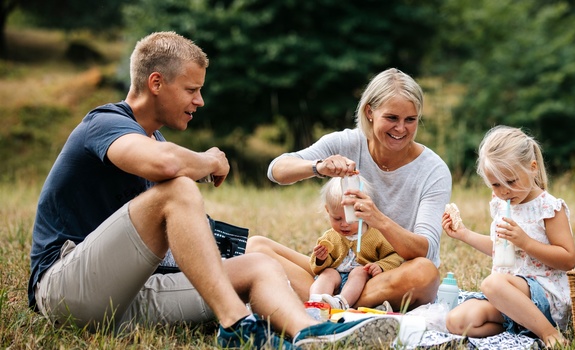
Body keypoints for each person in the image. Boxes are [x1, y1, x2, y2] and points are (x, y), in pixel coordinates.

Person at [27, 31, 399, 349]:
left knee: (259, 264)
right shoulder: (105, 123)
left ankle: (315, 334)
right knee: (178, 189)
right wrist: (211, 160)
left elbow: (181, 234)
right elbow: (166, 166)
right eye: (192, 89)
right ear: (156, 83)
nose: (199, 101)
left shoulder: (154, 139)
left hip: (129, 298)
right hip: (66, 291)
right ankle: (237, 326)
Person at [246, 68, 452, 311]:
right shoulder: (346, 142)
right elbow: (277, 170)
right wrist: (319, 167)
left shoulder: (433, 170)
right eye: (392, 118)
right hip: (338, 271)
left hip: (391, 275)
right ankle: (338, 304)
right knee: (256, 247)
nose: (401, 129)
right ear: (370, 112)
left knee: (424, 272)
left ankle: (327, 304)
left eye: (410, 120)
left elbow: (425, 250)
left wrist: (378, 219)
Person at [441, 125, 575, 347]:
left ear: (532, 168)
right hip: (506, 295)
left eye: (511, 182)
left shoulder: (548, 208)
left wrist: (526, 242)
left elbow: (568, 259)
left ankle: (549, 333)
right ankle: (522, 325)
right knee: (456, 321)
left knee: (492, 284)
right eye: (495, 184)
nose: (504, 191)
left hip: (544, 294)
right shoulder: (501, 204)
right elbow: (499, 247)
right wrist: (464, 234)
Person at [309, 176, 403, 311]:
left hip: (361, 286)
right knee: (328, 273)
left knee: (359, 271)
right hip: (335, 282)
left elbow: (395, 256)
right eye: (337, 218)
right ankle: (315, 304)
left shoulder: (376, 235)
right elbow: (316, 268)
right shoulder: (330, 237)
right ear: (328, 210)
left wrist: (380, 266)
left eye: (351, 219)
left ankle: (341, 303)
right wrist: (320, 259)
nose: (344, 224)